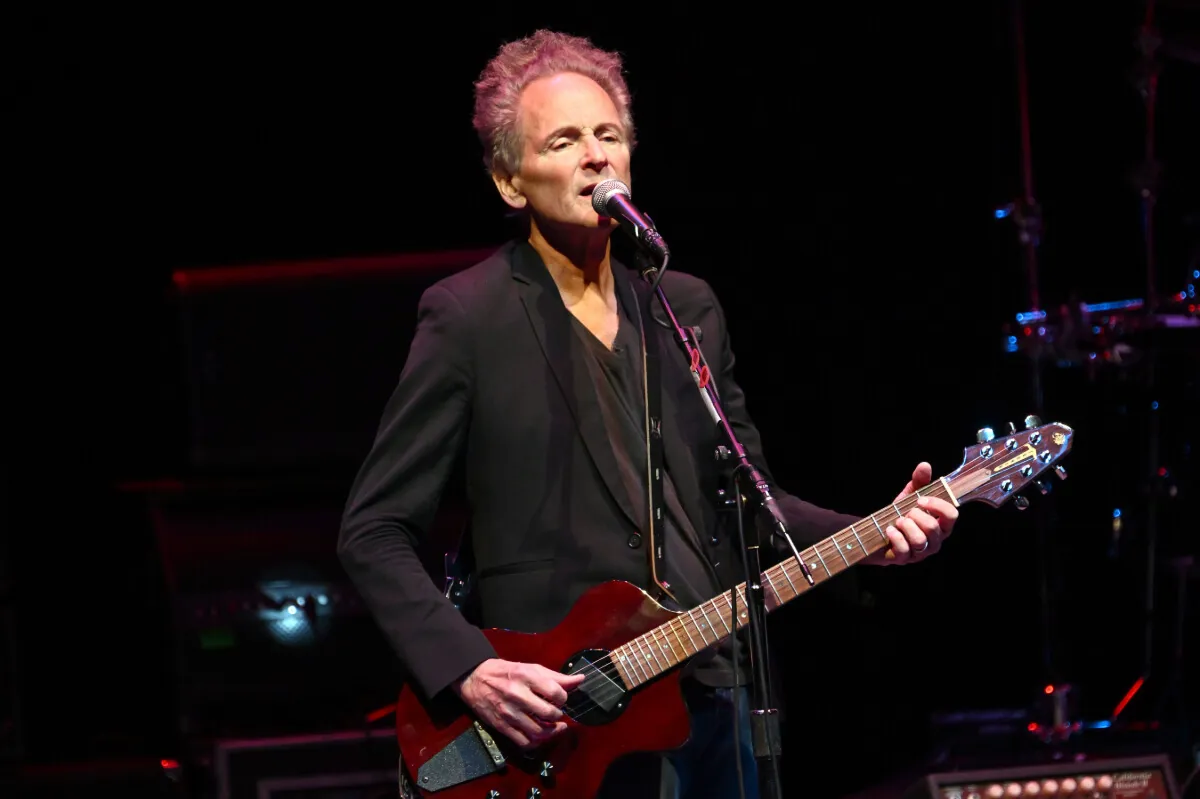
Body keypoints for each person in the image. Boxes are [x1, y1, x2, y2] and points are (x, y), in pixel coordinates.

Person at [337, 29, 959, 799]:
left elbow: (752, 502)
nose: (596, 155)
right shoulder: (469, 316)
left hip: (715, 692)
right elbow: (372, 530)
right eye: (564, 140)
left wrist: (873, 536)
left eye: (609, 135)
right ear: (509, 181)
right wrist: (468, 667)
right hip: (566, 721)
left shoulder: (682, 305)